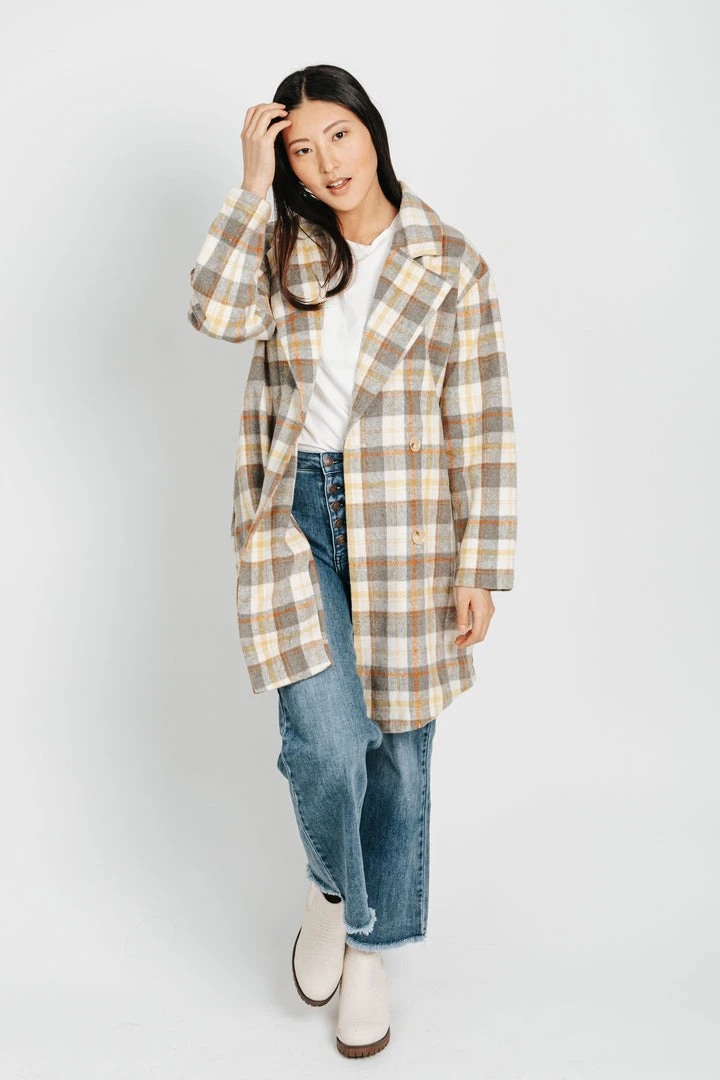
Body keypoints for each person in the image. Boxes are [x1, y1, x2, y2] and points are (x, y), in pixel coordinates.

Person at [187, 63, 517, 1059]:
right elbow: (214, 314)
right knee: (327, 743)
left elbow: (482, 421)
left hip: (406, 521)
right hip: (298, 514)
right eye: (300, 148)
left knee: (398, 749)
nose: (325, 162)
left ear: (371, 131)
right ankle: (332, 889)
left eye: (337, 134)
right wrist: (251, 184)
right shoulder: (284, 248)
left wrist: (480, 564)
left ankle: (369, 949)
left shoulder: (449, 261)